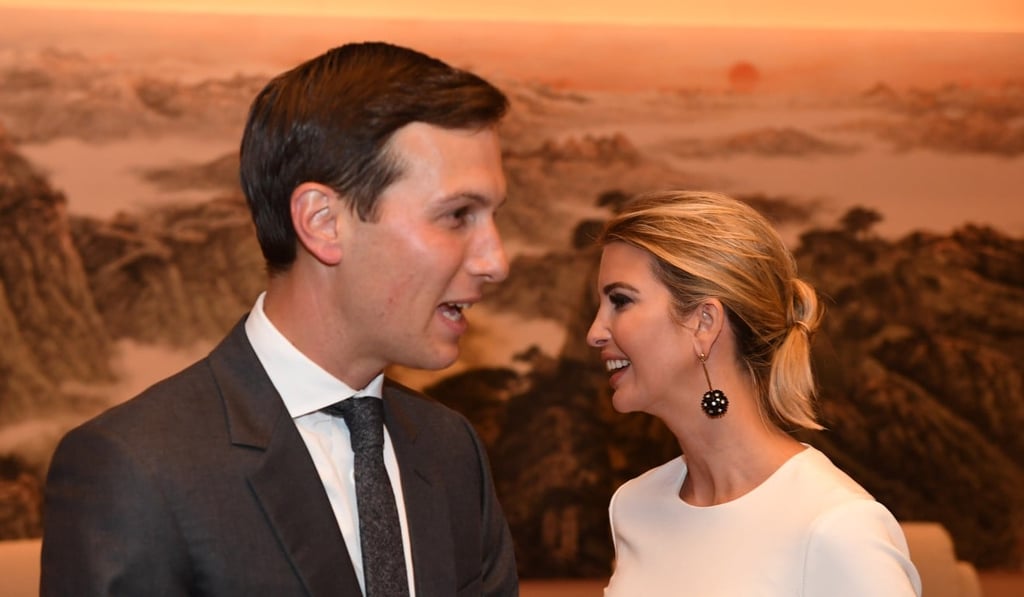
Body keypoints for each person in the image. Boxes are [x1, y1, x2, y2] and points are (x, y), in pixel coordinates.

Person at [41, 41, 518, 596]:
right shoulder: (137, 467)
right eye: (458, 215)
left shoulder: (450, 449)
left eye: (492, 217)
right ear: (323, 222)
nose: (496, 261)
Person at [586, 190, 921, 596]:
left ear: (704, 322)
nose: (595, 332)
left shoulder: (836, 526)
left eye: (620, 301)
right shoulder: (634, 506)